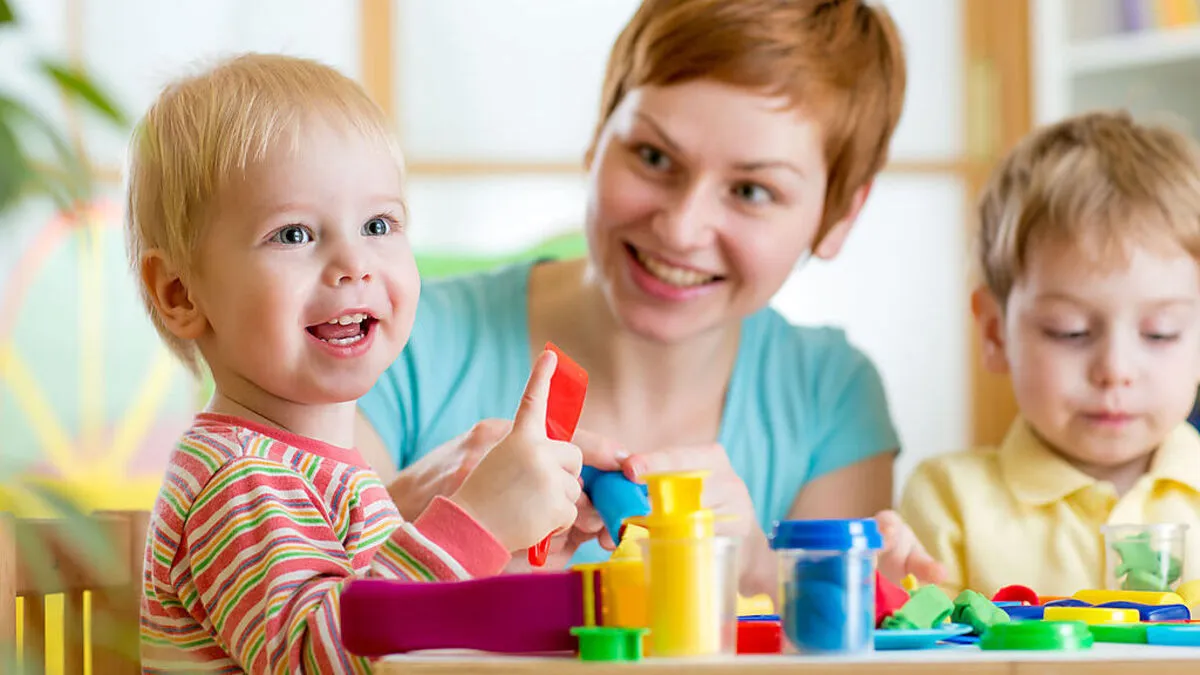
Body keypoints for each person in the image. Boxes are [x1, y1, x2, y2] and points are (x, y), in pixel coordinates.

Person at [357, 0, 943, 595]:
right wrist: (408, 514)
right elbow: (293, 623)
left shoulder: (831, 397)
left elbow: (833, 643)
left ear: (841, 215)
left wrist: (760, 567)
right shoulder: (394, 338)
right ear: (598, 133)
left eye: (752, 190)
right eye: (654, 157)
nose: (681, 228)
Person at [127, 53, 598, 672]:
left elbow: (394, 618)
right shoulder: (237, 481)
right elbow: (320, 658)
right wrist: (475, 523)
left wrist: (505, 549)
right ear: (181, 294)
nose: (355, 263)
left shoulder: (323, 473)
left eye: (379, 223)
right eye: (293, 234)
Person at [900, 111, 1200, 598]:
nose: (1115, 371)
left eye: (1161, 333)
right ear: (996, 334)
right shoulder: (950, 502)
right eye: (1071, 331)